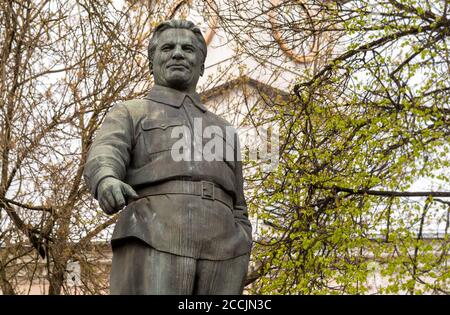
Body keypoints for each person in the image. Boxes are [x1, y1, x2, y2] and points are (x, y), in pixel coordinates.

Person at [83, 19, 252, 294]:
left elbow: (239, 204)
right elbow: (105, 152)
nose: (177, 53)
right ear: (152, 63)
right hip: (157, 234)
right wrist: (106, 180)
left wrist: (243, 239)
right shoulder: (131, 112)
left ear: (201, 64)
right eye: (167, 48)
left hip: (224, 250)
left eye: (187, 49)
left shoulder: (224, 129)